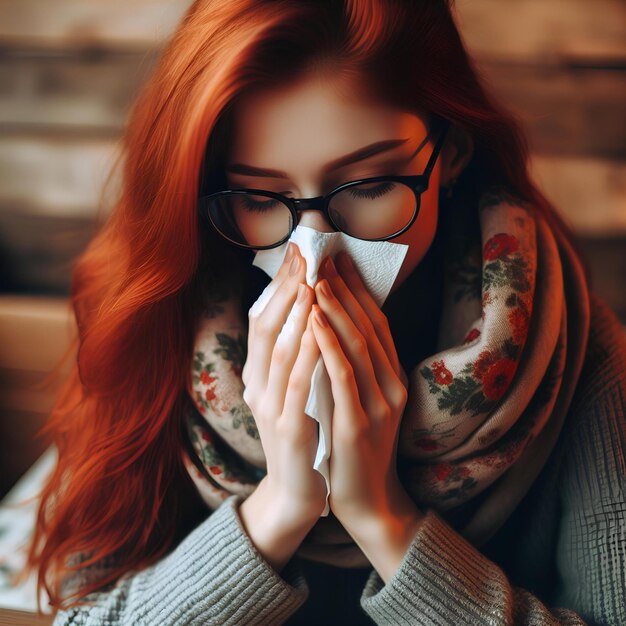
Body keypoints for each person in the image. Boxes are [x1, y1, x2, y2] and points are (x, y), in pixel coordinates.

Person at [21, 0, 625, 624]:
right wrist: (279, 507)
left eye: (367, 186)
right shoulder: (154, 317)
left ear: (450, 155)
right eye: (260, 196)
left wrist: (383, 518)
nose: (313, 257)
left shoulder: (574, 349)